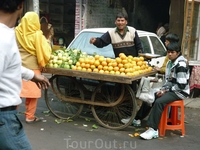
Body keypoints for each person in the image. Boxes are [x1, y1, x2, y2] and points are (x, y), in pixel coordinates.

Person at [0, 0, 50, 149]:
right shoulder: (3, 37)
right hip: (4, 117)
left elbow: (9, 63)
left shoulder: (13, 32)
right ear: (20, 6)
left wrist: (31, 75)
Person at [121, 33, 180, 127]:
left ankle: (142, 121)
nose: (165, 42)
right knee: (151, 94)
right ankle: (142, 119)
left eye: (167, 41)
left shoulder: (179, 62)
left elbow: (179, 82)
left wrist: (164, 88)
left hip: (175, 89)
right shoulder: (171, 57)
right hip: (169, 85)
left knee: (149, 96)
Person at [140, 42, 190, 140]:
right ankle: (140, 118)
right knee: (153, 95)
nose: (170, 54)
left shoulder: (181, 65)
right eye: (168, 52)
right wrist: (163, 89)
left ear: (178, 53)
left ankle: (153, 129)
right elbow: (169, 80)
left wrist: (166, 91)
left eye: (172, 52)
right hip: (172, 89)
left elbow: (181, 85)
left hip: (180, 92)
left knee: (159, 101)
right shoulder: (170, 63)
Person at [15, 12, 52, 123]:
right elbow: (45, 52)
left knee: (17, 93)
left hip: (18, 67)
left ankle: (11, 115)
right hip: (33, 68)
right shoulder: (38, 36)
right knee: (32, 95)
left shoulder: (16, 32)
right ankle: (29, 116)